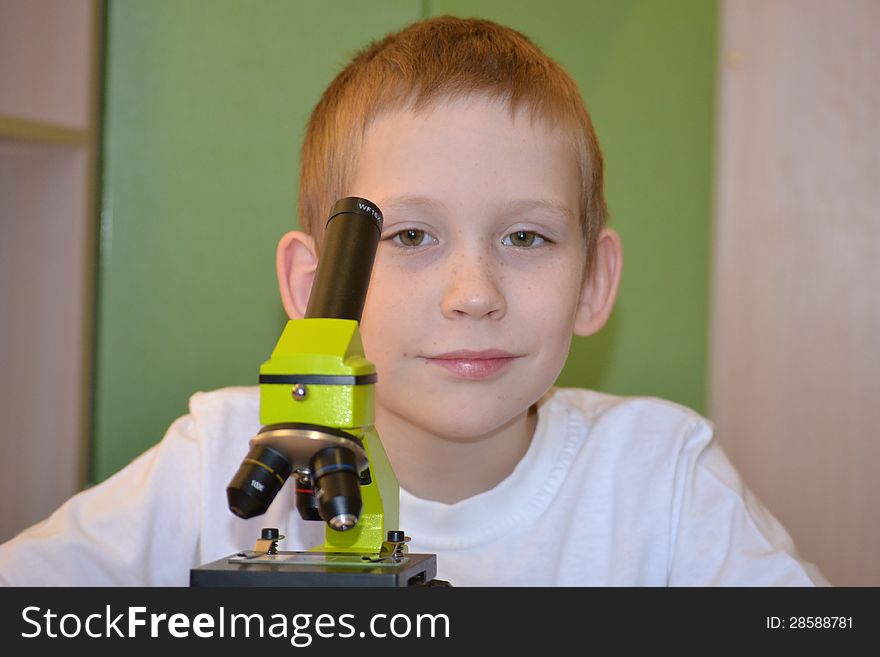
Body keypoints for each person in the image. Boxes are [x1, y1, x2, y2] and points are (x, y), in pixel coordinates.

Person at [0, 16, 827, 586]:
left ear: (595, 280)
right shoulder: (216, 457)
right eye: (409, 237)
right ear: (307, 287)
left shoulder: (662, 478)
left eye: (526, 238)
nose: (474, 295)